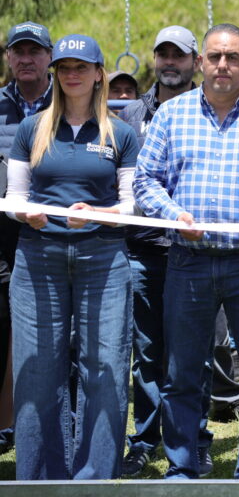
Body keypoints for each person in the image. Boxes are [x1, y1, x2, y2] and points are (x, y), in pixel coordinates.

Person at [134, 23, 239, 479]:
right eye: (215, 56)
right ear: (201, 62)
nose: (223, 65)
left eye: (233, 57)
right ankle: (183, 468)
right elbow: (146, 181)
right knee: (183, 371)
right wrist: (172, 215)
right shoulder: (171, 115)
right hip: (188, 260)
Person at [6, 34, 139, 479]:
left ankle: (95, 477)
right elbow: (14, 197)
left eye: (81, 67)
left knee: (106, 369)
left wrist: (98, 215)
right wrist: (29, 216)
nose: (72, 75)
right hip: (38, 258)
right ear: (55, 74)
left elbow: (131, 207)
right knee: (38, 370)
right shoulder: (32, 128)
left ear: (100, 73)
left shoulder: (121, 132)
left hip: (103, 256)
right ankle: (40, 478)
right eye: (64, 68)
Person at [118, 25, 213, 476]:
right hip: (146, 250)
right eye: (163, 54)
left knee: (195, 353)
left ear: (196, 61)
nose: (170, 62)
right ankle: (145, 439)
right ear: (154, 59)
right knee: (149, 352)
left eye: (179, 55)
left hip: (197, 252)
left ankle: (195, 437)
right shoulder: (131, 114)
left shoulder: (210, 107)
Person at [0, 21, 54, 457]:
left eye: (34, 51)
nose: (26, 59)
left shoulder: (73, 102)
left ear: (49, 57)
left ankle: (53, 430)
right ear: (8, 58)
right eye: (18, 51)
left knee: (57, 341)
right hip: (2, 240)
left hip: (55, 237)